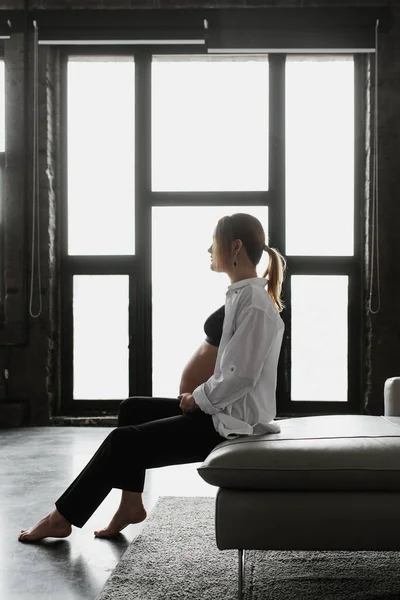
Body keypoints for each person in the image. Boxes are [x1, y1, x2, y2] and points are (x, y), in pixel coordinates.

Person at [18, 213, 286, 543]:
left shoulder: (255, 305)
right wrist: (200, 400)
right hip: (222, 413)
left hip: (233, 427)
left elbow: (240, 377)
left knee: (123, 441)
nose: (208, 249)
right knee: (132, 409)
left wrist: (197, 398)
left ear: (235, 247)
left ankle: (61, 518)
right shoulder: (242, 296)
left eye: (213, 242)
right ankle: (130, 504)